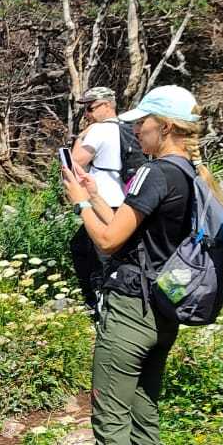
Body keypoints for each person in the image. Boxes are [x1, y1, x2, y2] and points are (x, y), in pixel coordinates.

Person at [60, 84, 220, 445]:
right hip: (164, 307)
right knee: (144, 409)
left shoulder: (154, 170)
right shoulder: (190, 173)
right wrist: (94, 193)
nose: (136, 130)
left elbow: (108, 241)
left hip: (131, 308)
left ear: (164, 128)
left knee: (110, 413)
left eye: (144, 123)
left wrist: (81, 205)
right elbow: (134, 232)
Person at [68, 86, 127, 316]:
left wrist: (82, 135)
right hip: (126, 200)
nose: (87, 115)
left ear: (107, 105)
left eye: (90, 108)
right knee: (111, 251)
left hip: (102, 199)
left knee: (89, 250)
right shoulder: (130, 128)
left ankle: (98, 303)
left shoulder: (98, 131)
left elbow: (75, 162)